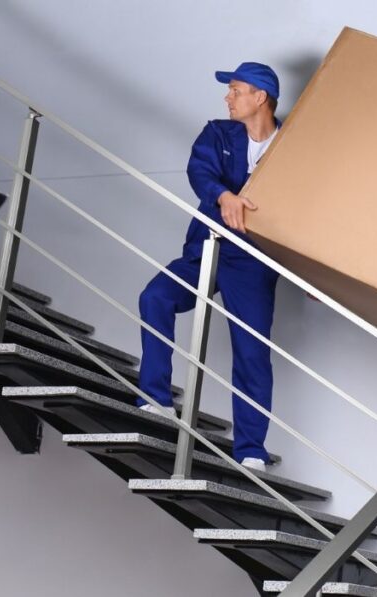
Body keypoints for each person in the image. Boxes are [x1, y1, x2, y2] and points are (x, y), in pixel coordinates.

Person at [136, 62, 282, 472]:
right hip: (207, 248)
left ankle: (251, 447)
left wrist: (312, 269)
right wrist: (223, 196)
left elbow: (314, 206)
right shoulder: (217, 133)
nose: (228, 97)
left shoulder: (294, 145)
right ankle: (156, 398)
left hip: (253, 260)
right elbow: (200, 172)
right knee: (156, 297)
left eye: (235, 90)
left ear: (260, 97)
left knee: (251, 351)